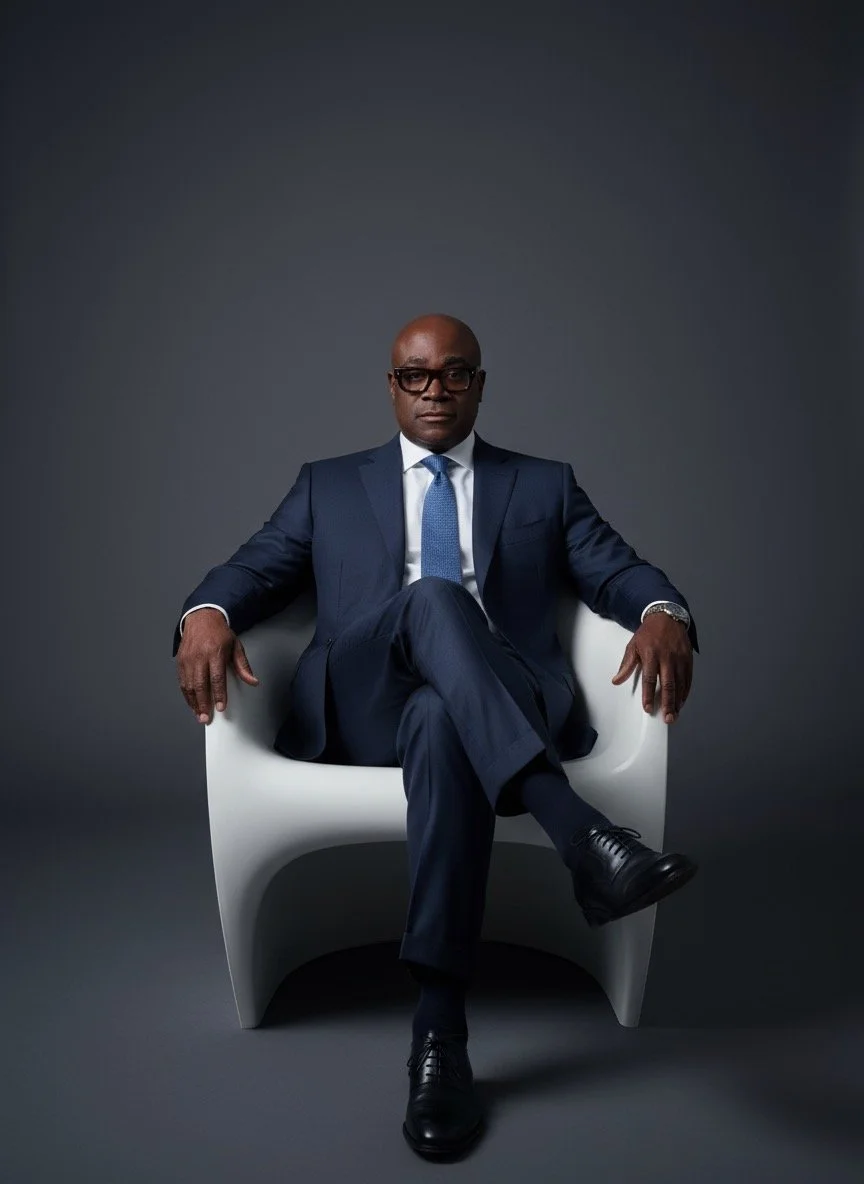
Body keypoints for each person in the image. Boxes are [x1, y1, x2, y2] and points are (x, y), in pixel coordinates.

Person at [173, 313, 699, 1158]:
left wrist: (664, 610)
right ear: (391, 387)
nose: (435, 391)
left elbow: (618, 570)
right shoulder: (327, 486)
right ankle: (580, 834)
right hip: (364, 704)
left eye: (455, 374)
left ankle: (439, 1034)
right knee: (431, 600)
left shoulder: (544, 485)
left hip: (493, 704)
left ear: (479, 385)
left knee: (443, 717)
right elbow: (254, 567)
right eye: (415, 375)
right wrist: (205, 610)